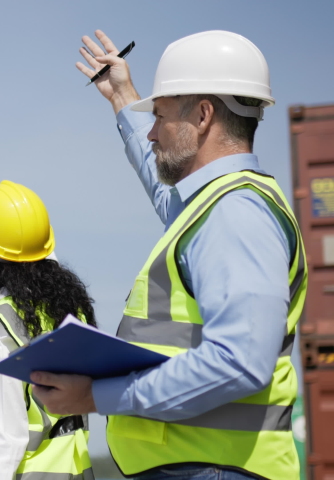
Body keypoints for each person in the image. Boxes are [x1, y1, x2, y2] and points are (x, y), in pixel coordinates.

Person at [29, 30, 306, 480]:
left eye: (159, 117)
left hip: (215, 469)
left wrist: (96, 396)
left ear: (202, 115)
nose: (152, 133)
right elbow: (164, 187)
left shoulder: (235, 214)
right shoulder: (212, 206)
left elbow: (238, 362)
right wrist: (123, 97)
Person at [0, 180, 95, 480]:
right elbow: (30, 251)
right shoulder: (69, 313)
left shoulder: (1, 323)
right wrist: (10, 220)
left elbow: (6, 441)